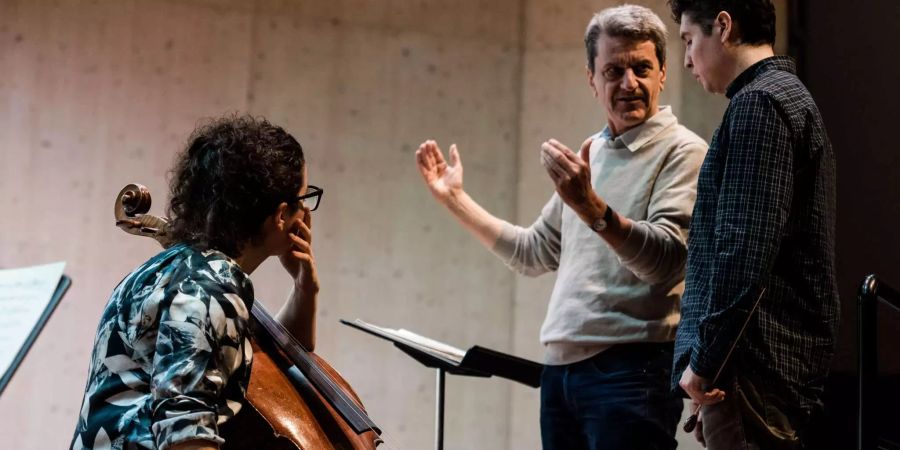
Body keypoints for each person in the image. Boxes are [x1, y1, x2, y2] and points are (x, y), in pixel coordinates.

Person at [415, 5, 707, 449]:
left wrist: (592, 207)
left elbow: (665, 261)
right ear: (592, 79)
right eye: (613, 70)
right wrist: (455, 199)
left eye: (641, 68)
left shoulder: (682, 152)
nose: (629, 83)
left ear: (663, 73)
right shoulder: (593, 152)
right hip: (559, 374)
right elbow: (533, 252)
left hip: (630, 372)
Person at [70, 116, 323, 450]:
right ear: (280, 215)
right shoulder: (208, 290)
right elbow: (185, 437)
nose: (305, 213)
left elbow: (277, 370)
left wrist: (305, 288)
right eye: (304, 199)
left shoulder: (171, 271)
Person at [668, 1, 839, 448]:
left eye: (689, 39)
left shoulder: (760, 103)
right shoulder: (783, 97)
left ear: (722, 26)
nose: (686, 58)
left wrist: (704, 362)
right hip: (760, 368)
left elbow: (743, 252)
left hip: (752, 370)